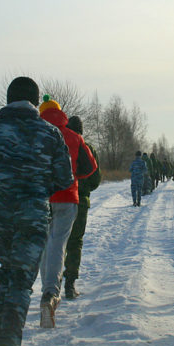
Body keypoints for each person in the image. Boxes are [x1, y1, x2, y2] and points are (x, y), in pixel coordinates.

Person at [0, 77, 74, 346]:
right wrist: (42, 189)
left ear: (8, 99)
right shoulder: (50, 132)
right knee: (21, 280)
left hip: (1, 210)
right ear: (36, 102)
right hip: (34, 212)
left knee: (6, 273)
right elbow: (65, 178)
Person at [38, 96, 98, 328]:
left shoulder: (34, 134)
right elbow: (90, 167)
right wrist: (74, 177)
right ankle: (50, 294)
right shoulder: (74, 136)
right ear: (60, 112)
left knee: (45, 244)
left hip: (40, 198)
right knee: (58, 244)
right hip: (67, 197)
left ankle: (46, 291)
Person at [63, 116, 102, 299]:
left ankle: (52, 284)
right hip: (80, 202)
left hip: (59, 201)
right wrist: (84, 190)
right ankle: (70, 283)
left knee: (57, 241)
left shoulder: (60, 144)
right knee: (75, 242)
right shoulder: (88, 148)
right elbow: (95, 179)